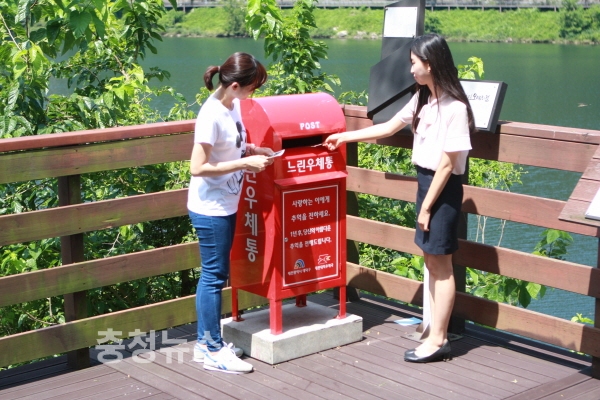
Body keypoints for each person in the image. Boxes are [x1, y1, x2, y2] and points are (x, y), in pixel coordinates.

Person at [324, 34, 475, 363]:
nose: (410, 70)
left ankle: (439, 339)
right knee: (431, 261)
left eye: (413, 63)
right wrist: (344, 136)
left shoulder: (456, 108)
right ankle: (433, 332)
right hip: (426, 183)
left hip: (442, 190)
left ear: (430, 64)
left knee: (441, 266)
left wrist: (427, 207)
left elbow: (448, 164)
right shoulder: (423, 98)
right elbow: (389, 127)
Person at [187, 52, 273, 374]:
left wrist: (253, 150)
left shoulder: (232, 104)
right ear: (235, 85)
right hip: (210, 208)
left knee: (215, 274)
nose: (254, 92)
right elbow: (197, 167)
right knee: (213, 276)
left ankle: (204, 344)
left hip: (226, 202)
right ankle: (212, 349)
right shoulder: (210, 114)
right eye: (253, 87)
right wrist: (244, 163)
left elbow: (230, 144)